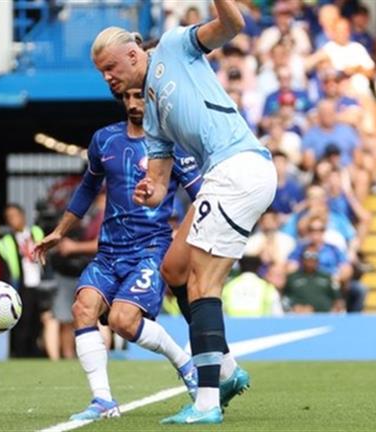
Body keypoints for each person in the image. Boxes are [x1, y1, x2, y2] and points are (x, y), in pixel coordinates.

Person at [91, 0, 277, 423]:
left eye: (111, 68)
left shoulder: (175, 45)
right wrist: (148, 191)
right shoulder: (152, 112)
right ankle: (224, 368)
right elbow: (158, 184)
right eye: (102, 72)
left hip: (239, 166)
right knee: (174, 269)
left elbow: (232, 24)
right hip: (222, 175)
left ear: (134, 54)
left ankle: (208, 401)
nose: (108, 78)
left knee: (202, 283)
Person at [33, 87, 203, 421]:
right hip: (109, 250)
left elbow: (201, 195)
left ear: (152, 98)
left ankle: (186, 365)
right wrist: (59, 231)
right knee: (82, 308)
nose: (132, 103)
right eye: (126, 97)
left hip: (150, 249)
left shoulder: (172, 143)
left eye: (139, 96)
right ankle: (102, 400)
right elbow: (87, 188)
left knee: (122, 321)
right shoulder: (105, 140)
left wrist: (189, 241)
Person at [0, 203, 56, 359]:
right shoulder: (4, 242)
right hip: (21, 286)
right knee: (22, 322)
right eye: (9, 217)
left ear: (23, 216)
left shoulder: (37, 232)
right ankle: (20, 354)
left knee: (40, 321)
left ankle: (38, 353)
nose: (12, 220)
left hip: (41, 284)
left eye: (14, 216)